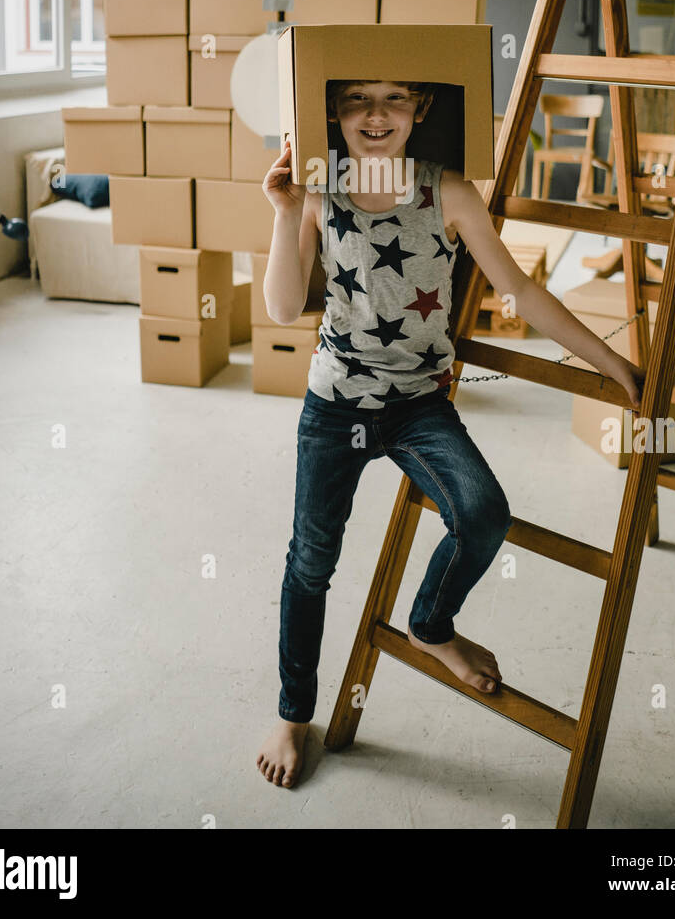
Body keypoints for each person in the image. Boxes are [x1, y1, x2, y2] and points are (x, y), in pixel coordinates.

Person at [256, 80, 644, 788]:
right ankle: (291, 711)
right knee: (311, 561)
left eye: (395, 99)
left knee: (482, 513)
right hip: (335, 407)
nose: (376, 117)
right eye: (355, 101)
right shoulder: (317, 190)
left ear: (421, 109)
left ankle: (431, 626)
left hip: (417, 406)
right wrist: (284, 213)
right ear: (331, 113)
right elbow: (283, 307)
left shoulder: (449, 192)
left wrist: (611, 362)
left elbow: (521, 293)